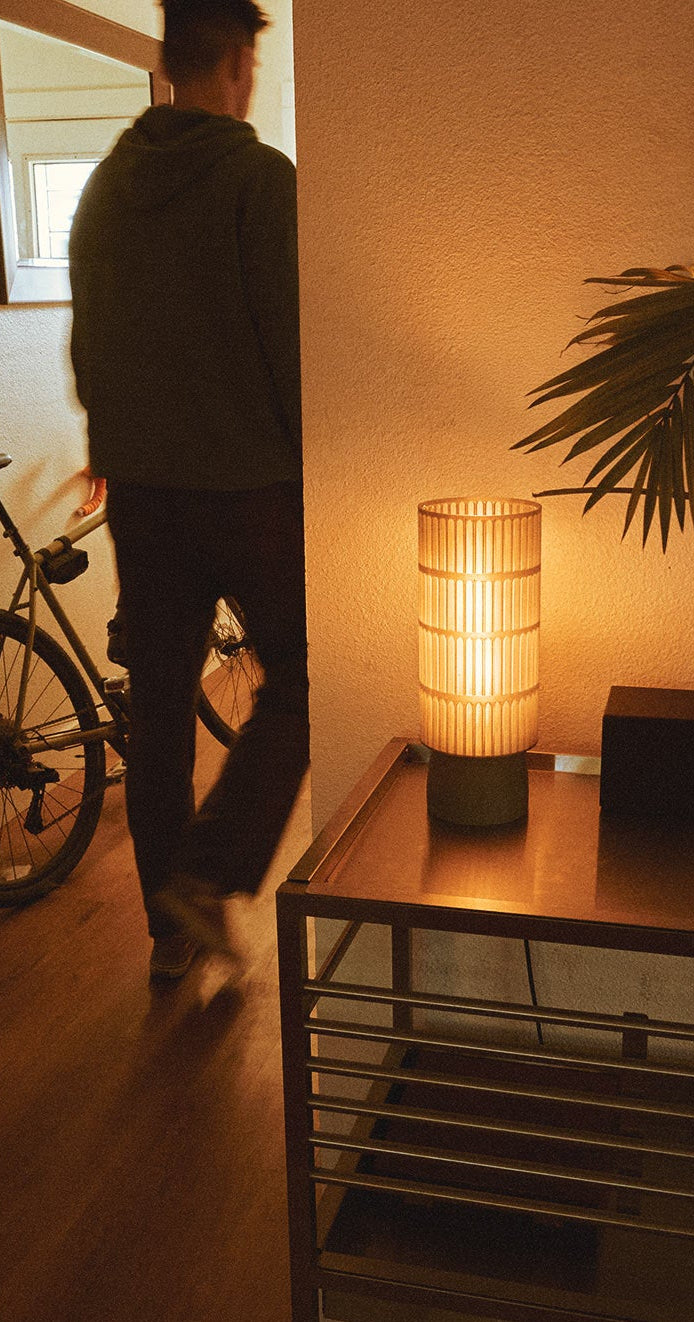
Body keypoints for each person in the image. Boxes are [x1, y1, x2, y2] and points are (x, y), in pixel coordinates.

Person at [69, 0, 308, 981]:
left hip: (146, 493)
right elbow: (289, 345)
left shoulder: (103, 191)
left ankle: (172, 936)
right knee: (303, 680)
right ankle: (206, 877)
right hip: (250, 488)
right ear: (240, 65)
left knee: (158, 701)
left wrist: (115, 445)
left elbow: (90, 349)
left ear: (169, 60)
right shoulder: (259, 180)